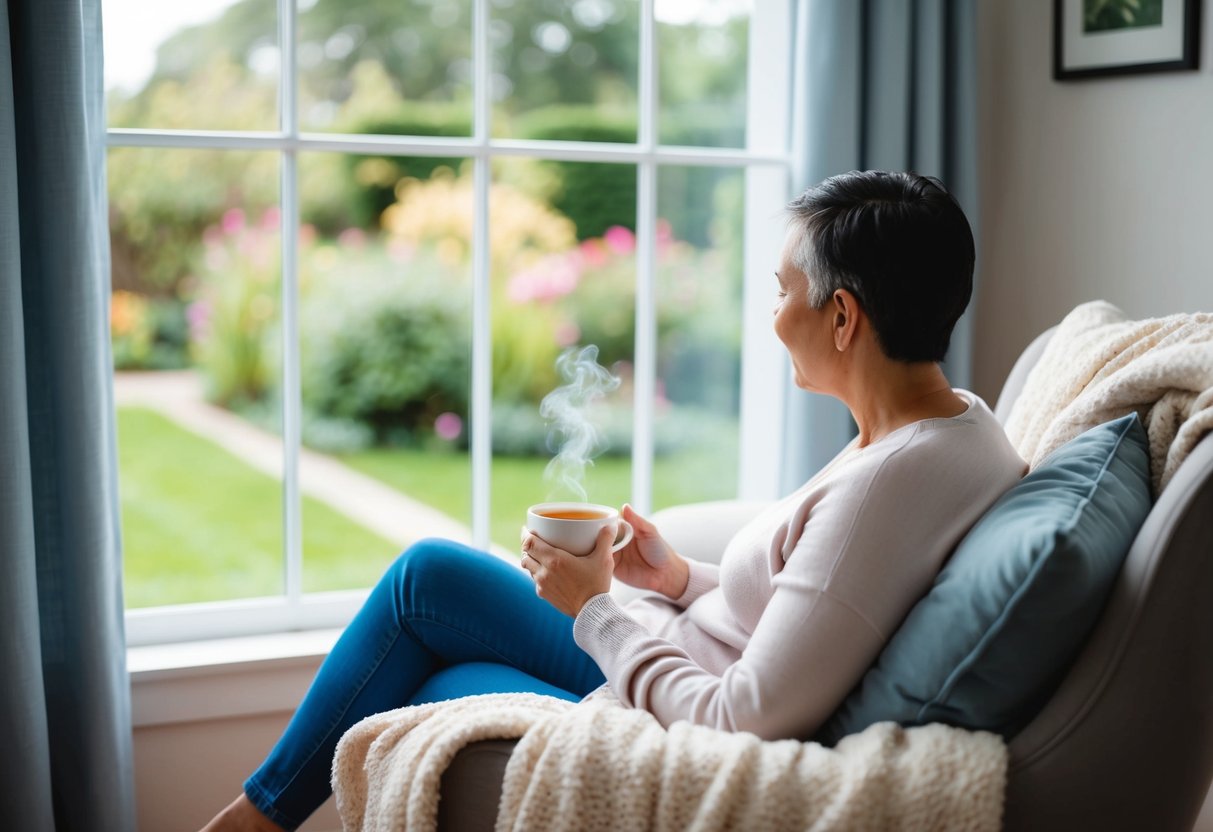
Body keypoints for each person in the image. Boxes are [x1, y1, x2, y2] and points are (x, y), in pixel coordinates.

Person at [201, 170, 1027, 832]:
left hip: (663, 710)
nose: (773, 317)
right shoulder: (951, 426)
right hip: (670, 642)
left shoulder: (889, 480)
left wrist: (597, 611)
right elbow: (815, 602)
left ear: (841, 316)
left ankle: (248, 824)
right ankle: (251, 822)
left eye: (782, 292)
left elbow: (740, 718)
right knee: (427, 580)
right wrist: (673, 579)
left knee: (431, 686)